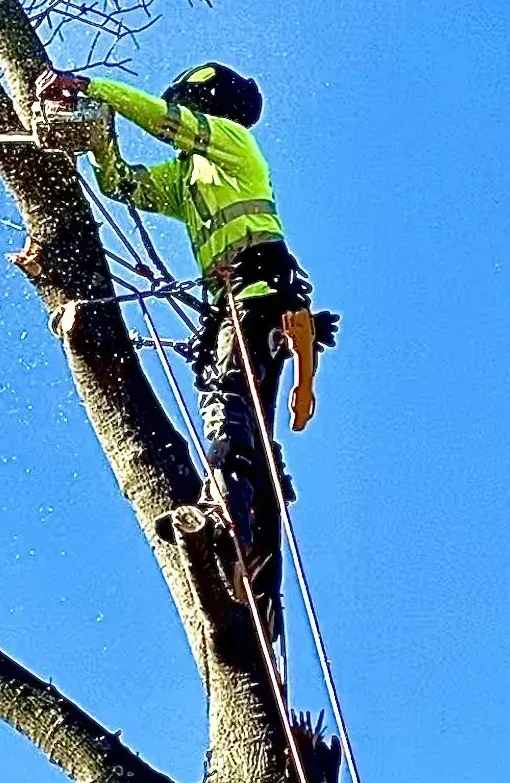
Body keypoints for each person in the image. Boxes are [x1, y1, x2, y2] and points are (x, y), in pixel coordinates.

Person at [36, 63, 336, 640]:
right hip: (238, 305)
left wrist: (92, 88)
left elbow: (164, 121)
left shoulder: (229, 140)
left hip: (256, 294)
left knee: (226, 403)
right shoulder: (188, 178)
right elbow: (124, 186)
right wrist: (102, 144)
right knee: (250, 429)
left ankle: (230, 519)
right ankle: (258, 571)